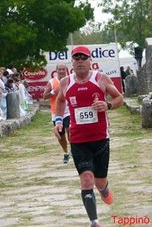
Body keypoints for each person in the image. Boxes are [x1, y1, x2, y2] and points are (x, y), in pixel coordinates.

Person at [54, 45, 123, 227]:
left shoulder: (100, 79)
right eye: (76, 58)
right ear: (72, 63)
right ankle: (94, 221)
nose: (80, 61)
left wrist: (107, 105)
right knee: (86, 179)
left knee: (99, 181)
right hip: (78, 139)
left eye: (83, 58)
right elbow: (60, 101)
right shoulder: (65, 83)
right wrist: (59, 121)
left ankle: (104, 188)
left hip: (100, 137)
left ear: (90, 61)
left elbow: (119, 98)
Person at [42, 63, 71, 164]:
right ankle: (66, 152)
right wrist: (54, 91)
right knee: (60, 135)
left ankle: (75, 149)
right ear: (56, 71)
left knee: (70, 129)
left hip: (68, 110)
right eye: (60, 69)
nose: (62, 71)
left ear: (66, 70)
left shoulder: (70, 79)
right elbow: (44, 96)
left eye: (64, 69)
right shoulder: (52, 82)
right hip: (56, 112)